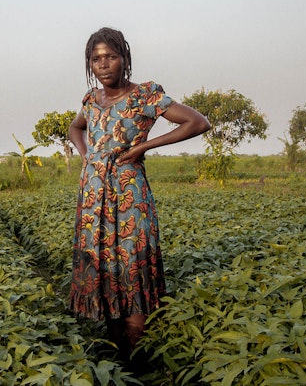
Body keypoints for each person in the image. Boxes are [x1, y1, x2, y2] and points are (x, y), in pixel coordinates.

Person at [68, 27, 210, 369]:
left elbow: (197, 122)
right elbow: (75, 128)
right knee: (104, 269)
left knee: (131, 268)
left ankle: (137, 363)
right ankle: (120, 360)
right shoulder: (91, 99)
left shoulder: (145, 95)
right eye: (96, 58)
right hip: (93, 197)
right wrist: (86, 152)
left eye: (110, 57)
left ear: (124, 59)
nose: (103, 65)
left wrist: (144, 146)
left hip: (129, 194)